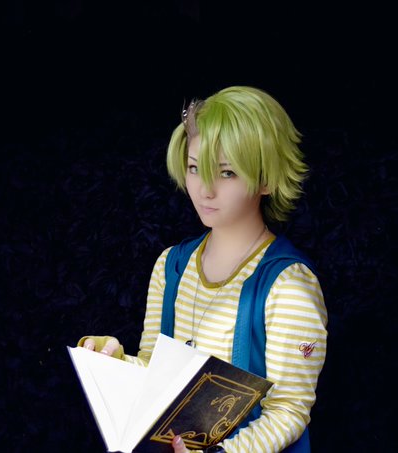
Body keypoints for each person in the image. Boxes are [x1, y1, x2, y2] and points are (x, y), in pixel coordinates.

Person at [79, 86, 328, 453]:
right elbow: (155, 375)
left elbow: (288, 411)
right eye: (195, 168)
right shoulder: (171, 266)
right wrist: (114, 363)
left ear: (266, 179)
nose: (204, 189)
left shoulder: (289, 286)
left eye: (226, 173)